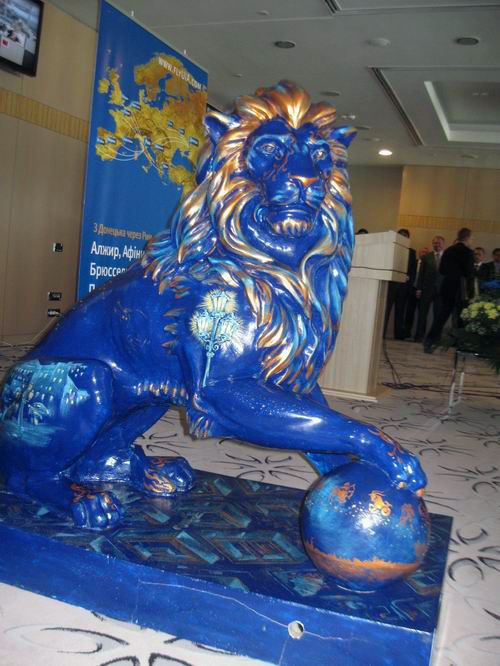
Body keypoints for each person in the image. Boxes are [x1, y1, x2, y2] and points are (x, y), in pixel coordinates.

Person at [424, 227, 475, 353]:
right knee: (461, 318)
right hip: (461, 289)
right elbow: (470, 274)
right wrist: (471, 293)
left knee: (441, 316)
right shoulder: (468, 252)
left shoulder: (448, 250)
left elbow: (442, 270)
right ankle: (461, 346)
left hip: (447, 287)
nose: (472, 240)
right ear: (467, 238)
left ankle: (429, 342)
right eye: (471, 238)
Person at [383, 229, 417, 340]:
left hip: (404, 287)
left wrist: (409, 278)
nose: (403, 238)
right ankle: (381, 333)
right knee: (386, 311)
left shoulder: (412, 252)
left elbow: (413, 271)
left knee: (400, 312)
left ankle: (398, 335)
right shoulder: (392, 249)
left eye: (405, 236)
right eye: (401, 235)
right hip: (391, 285)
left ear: (408, 238)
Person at [414, 236, 444, 342]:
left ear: (443, 244)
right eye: (435, 243)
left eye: (439, 243)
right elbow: (421, 274)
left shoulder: (447, 257)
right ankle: (419, 336)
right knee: (422, 314)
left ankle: (435, 338)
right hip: (426, 289)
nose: (437, 245)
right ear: (432, 244)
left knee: (438, 315)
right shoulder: (426, 257)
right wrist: (419, 289)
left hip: (441, 291)